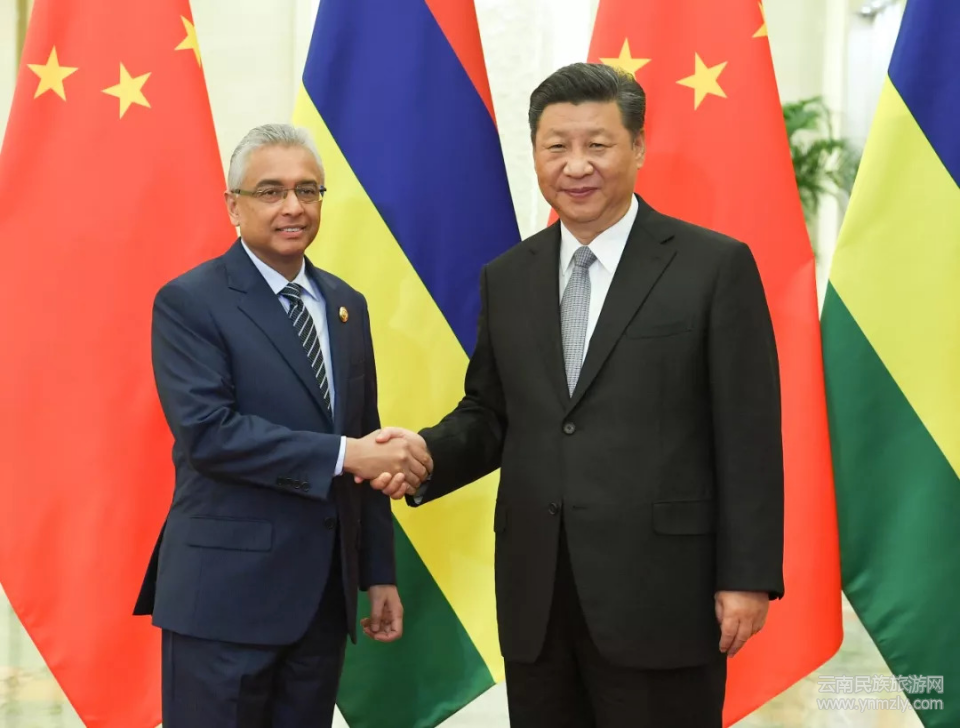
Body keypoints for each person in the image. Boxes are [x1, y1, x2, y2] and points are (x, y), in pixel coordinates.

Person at [373, 63, 785, 727]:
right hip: (539, 598)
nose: (576, 166)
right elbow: (492, 413)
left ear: (638, 147)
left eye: (598, 144)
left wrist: (746, 575)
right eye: (556, 146)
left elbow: (749, 433)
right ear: (536, 153)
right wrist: (424, 453)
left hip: (662, 596)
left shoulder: (713, 266)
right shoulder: (509, 276)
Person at [134, 123, 431, 727]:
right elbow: (210, 435)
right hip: (224, 602)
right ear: (233, 206)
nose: (293, 206)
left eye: (308, 190)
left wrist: (378, 573)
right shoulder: (191, 301)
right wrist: (346, 454)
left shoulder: (346, 305)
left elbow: (366, 436)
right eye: (271, 191)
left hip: (321, 601)